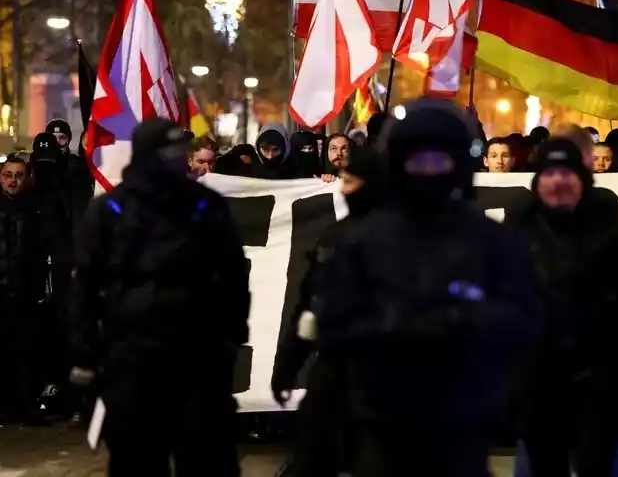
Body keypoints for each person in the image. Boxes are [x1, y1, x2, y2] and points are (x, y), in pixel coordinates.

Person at [313, 98, 541, 476]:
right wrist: (392, 325)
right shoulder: (364, 241)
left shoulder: (491, 242)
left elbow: (525, 319)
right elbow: (333, 324)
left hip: (463, 422)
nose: (429, 172)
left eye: (440, 161)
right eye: (418, 161)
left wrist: (461, 321)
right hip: (383, 420)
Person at [69, 118, 249, 477]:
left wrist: (230, 342)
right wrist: (85, 354)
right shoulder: (109, 212)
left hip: (197, 356)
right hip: (132, 357)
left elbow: (232, 277)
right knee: (138, 460)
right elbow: (86, 285)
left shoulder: (204, 205)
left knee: (205, 459)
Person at [508, 139, 618, 477]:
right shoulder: (519, 228)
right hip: (539, 384)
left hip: (601, 380)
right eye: (550, 173)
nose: (559, 181)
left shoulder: (612, 230)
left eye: (567, 173)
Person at [274, 146, 384, 477]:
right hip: (335, 369)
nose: (343, 188)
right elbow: (311, 304)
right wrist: (288, 365)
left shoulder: (403, 238)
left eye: (351, 181)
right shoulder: (337, 236)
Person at [0, 156, 49, 423]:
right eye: (8, 175)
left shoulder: (36, 208)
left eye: (18, 175)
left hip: (26, 291)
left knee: (27, 352)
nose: (13, 180)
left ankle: (27, 406)